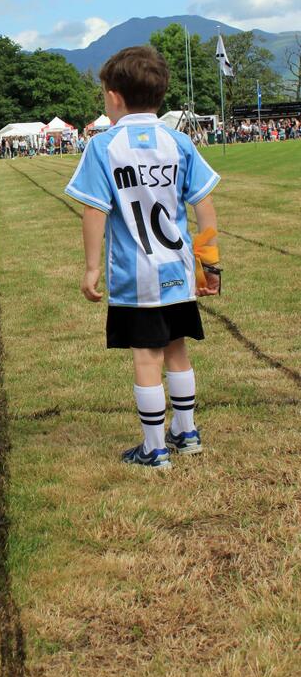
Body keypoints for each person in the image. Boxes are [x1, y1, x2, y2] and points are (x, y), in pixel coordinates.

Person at [65, 46, 221, 470]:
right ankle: (187, 432)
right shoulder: (179, 141)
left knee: (145, 355)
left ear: (114, 97)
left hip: (136, 277)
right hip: (178, 269)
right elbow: (203, 203)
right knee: (176, 349)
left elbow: (95, 209)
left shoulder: (103, 147)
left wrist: (92, 267)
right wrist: (209, 262)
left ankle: (154, 449)